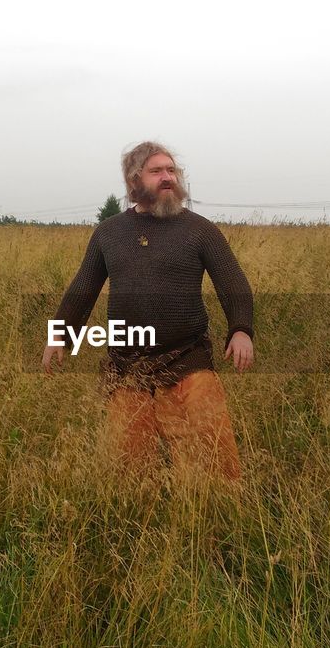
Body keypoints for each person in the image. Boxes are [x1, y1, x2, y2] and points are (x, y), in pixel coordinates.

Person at [42, 141, 254, 481]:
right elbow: (83, 290)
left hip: (187, 360)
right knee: (129, 469)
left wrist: (241, 329)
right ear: (133, 180)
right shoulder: (109, 233)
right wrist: (59, 337)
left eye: (171, 170)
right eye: (157, 171)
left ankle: (215, 514)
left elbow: (233, 282)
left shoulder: (200, 230)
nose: (167, 177)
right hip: (128, 365)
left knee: (212, 462)